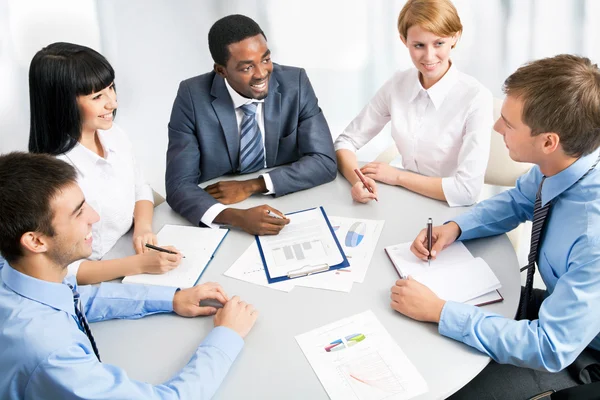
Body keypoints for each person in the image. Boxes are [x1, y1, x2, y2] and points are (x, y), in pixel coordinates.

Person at [393, 54, 600, 398]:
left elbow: (550, 347)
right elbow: (520, 200)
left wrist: (441, 312)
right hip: (560, 309)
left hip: (582, 349)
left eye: (508, 122)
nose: (496, 128)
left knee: (443, 386)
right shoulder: (565, 163)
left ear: (548, 141)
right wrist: (456, 227)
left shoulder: (592, 233)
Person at [0, 152, 258, 399]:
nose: (95, 217)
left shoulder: (19, 269)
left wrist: (172, 299)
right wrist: (227, 336)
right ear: (35, 241)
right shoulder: (52, 353)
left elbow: (79, 297)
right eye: (78, 212)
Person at [166, 14, 337, 235]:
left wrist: (253, 185)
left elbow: (324, 161)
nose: (261, 73)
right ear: (221, 70)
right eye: (247, 68)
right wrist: (237, 217)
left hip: (292, 202)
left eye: (265, 59)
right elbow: (179, 185)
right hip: (223, 213)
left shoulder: (295, 83)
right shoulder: (191, 96)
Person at [28, 42, 181, 284]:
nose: (113, 103)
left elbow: (140, 187)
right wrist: (137, 265)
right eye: (97, 96)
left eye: (111, 88)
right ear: (62, 103)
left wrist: (142, 227)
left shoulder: (113, 133)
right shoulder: (53, 176)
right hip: (101, 274)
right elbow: (62, 269)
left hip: (131, 244)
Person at [335, 0, 492, 206]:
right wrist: (359, 182)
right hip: (404, 200)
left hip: (450, 208)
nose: (429, 56)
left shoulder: (476, 97)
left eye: (439, 43)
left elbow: (466, 192)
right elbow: (345, 142)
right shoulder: (398, 84)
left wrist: (398, 177)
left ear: (455, 37)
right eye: (419, 45)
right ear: (404, 40)